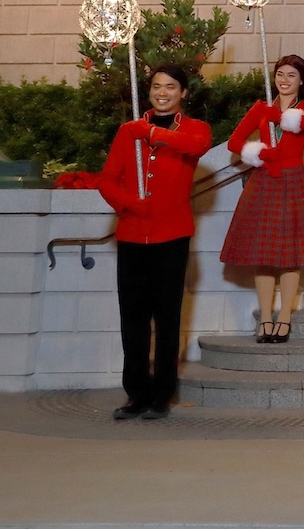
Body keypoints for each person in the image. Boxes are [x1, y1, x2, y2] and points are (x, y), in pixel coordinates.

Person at [93, 65, 212, 420]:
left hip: (172, 237)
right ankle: (136, 393)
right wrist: (130, 203)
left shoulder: (193, 129)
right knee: (133, 318)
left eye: (171, 87)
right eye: (157, 86)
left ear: (183, 93)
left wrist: (152, 133)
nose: (163, 92)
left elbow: (197, 146)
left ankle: (162, 394)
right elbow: (106, 181)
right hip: (131, 235)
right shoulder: (127, 132)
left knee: (167, 318)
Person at [221, 55, 304, 344]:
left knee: (289, 255)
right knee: (264, 255)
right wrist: (257, 152)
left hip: (293, 180)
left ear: (302, 80)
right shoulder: (261, 108)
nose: (284, 80)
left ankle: (285, 317)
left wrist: (282, 118)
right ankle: (266, 319)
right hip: (264, 182)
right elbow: (234, 141)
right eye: (280, 74)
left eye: (291, 75)